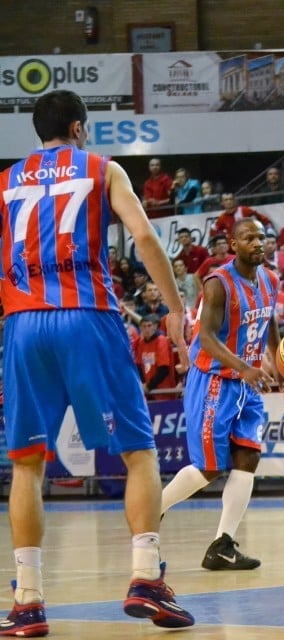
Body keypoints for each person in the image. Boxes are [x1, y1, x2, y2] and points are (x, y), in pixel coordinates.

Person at [0, 89, 194, 633]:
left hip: (23, 324)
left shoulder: (5, 181)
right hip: (88, 315)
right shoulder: (102, 170)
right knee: (138, 451)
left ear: (37, 133)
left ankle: (29, 600)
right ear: (80, 129)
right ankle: (145, 577)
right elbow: (145, 236)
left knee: (26, 463)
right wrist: (175, 309)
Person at [160, 218, 284, 572]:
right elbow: (205, 338)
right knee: (210, 468)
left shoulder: (270, 279)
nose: (258, 243)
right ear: (233, 245)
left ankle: (222, 544)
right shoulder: (218, 284)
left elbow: (270, 325)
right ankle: (152, 510)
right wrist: (244, 368)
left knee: (249, 457)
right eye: (249, 238)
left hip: (246, 383)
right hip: (214, 379)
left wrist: (283, 365)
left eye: (262, 238)